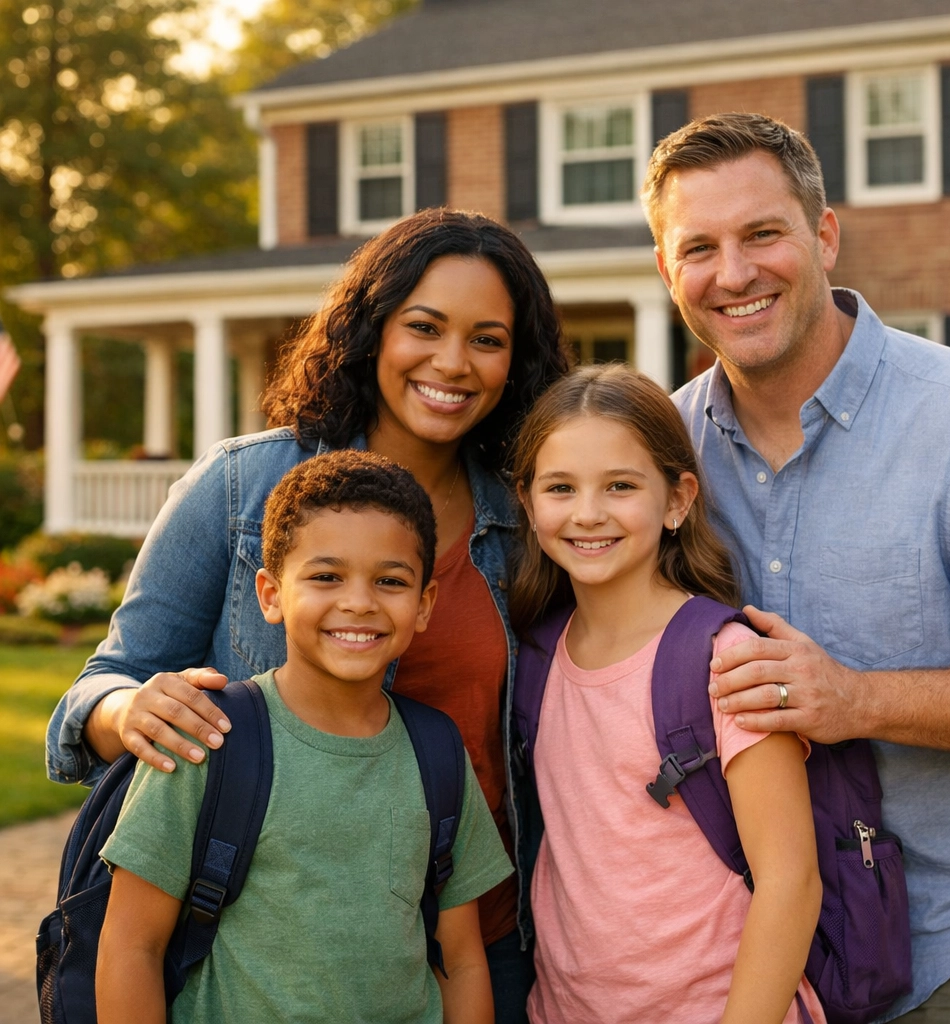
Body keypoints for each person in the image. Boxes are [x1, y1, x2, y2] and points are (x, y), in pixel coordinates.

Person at [48, 207, 568, 1022]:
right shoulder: (240, 489)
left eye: (488, 339)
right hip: (261, 961)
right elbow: (100, 685)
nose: (452, 362)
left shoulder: (531, 515)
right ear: (372, 331)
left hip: (478, 940)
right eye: (423, 327)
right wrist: (133, 708)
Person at [642, 112, 950, 1021]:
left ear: (824, 235)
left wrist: (856, 701)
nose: (733, 274)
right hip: (757, 964)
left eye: (763, 234)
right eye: (698, 247)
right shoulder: (660, 456)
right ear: (666, 271)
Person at [96, 450, 513, 1023]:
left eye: (390, 580)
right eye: (326, 576)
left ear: (425, 604)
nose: (359, 602)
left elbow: (462, 961)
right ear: (270, 594)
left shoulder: (437, 751)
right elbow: (129, 948)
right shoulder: (207, 737)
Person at [508, 365, 824, 1024]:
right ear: (529, 502)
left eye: (620, 486)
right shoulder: (535, 656)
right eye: (560, 487)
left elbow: (790, 882)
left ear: (677, 500)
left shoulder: (722, 659)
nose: (588, 513)